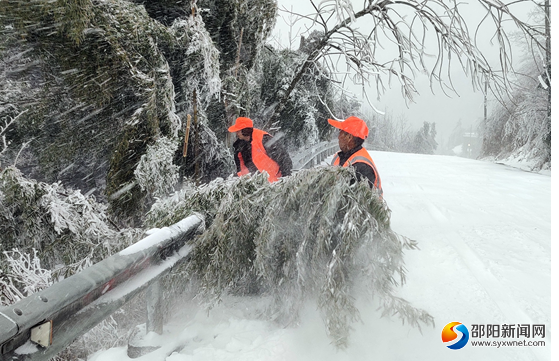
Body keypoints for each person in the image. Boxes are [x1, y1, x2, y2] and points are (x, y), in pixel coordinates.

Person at [328, 116, 383, 194]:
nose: (338, 136)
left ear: (349, 137)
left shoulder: (362, 168)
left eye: (341, 131)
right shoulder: (339, 156)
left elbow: (352, 202)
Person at [228, 117, 292, 183]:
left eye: (238, 131)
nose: (236, 133)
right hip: (256, 186)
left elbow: (284, 158)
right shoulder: (240, 146)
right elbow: (241, 168)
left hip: (275, 182)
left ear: (245, 131)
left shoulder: (263, 138)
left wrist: (286, 179)